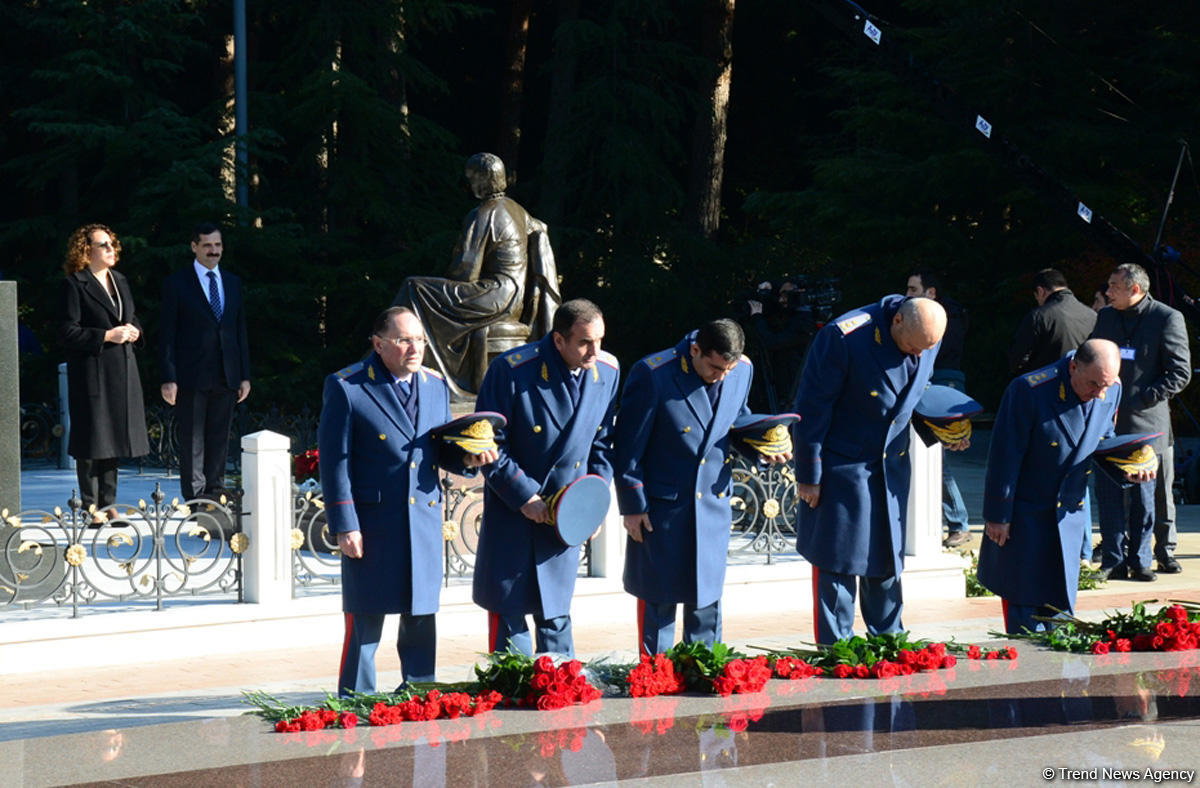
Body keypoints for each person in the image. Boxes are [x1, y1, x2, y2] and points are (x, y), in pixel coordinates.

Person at [319, 307, 497, 694]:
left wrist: (466, 460)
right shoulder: (348, 386)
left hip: (423, 520)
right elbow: (335, 462)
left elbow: (439, 449)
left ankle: (419, 695)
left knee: (420, 615)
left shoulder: (434, 385)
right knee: (366, 619)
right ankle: (355, 700)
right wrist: (345, 524)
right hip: (374, 523)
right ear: (378, 344)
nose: (414, 348)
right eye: (403, 340)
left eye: (419, 340)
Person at [616, 319, 779, 658]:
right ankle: (655, 677)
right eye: (714, 367)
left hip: (712, 505)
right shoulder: (654, 374)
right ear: (695, 350)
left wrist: (763, 448)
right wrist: (632, 506)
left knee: (706, 600)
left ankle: (702, 672)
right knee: (658, 600)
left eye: (727, 369)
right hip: (663, 508)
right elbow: (628, 449)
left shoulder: (741, 370)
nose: (721, 376)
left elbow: (733, 423)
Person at [793, 296, 949, 645]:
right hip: (844, 464)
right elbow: (812, 408)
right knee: (837, 560)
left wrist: (945, 428)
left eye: (927, 348)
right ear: (897, 322)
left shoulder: (926, 335)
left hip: (890, 466)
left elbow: (914, 394)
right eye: (913, 346)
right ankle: (837, 649)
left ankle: (889, 641)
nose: (919, 354)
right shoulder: (845, 337)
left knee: (887, 555)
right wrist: (809, 474)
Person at [472, 299, 620, 656]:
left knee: (556, 615)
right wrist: (525, 496)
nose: (594, 351)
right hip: (515, 511)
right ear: (558, 340)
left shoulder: (606, 371)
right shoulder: (512, 370)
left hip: (564, 516)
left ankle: (561, 685)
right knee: (510, 619)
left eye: (599, 340)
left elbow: (602, 444)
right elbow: (488, 443)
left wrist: (591, 503)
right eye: (584, 342)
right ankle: (514, 688)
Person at [977, 340, 1146, 632]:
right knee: (1026, 612)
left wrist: (1130, 466)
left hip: (1068, 517)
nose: (1100, 393)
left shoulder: (1111, 387)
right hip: (1027, 517)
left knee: (1061, 615)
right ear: (1073, 367)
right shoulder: (1030, 390)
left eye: (1105, 385)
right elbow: (1005, 456)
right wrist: (998, 515)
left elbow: (1102, 438)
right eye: (1094, 384)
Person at [393, 153, 561, 398]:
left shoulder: (482, 213)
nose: (470, 185)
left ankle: (405, 368)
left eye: (472, 179)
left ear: (483, 179)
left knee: (414, 287)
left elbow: (466, 270)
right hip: (516, 299)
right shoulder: (518, 210)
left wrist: (446, 285)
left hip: (494, 296)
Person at [1090, 263, 1191, 576]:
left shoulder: (1166, 317)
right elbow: (1092, 355)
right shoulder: (1107, 317)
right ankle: (1114, 558)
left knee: (1153, 495)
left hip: (1148, 421)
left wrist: (1144, 397)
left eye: (1114, 286)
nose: (1108, 292)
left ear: (1135, 289)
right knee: (1110, 495)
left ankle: (1157, 554)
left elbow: (1180, 372)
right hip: (1109, 421)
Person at [57, 224, 150, 513]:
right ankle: (90, 506)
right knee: (91, 438)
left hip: (122, 371)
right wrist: (107, 335)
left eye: (112, 244)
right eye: (104, 245)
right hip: (91, 372)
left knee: (114, 438)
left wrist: (135, 331)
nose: (111, 249)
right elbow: (67, 332)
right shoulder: (74, 284)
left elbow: (131, 317)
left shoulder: (120, 280)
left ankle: (109, 504)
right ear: (86, 251)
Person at [159, 223, 251, 501]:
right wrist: (168, 377)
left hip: (227, 373)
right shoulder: (176, 283)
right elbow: (167, 334)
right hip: (191, 375)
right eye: (207, 245)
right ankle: (196, 500)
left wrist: (244, 375)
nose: (214, 251)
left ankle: (215, 493)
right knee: (193, 441)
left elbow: (239, 331)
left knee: (219, 438)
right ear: (194, 247)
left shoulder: (232, 282)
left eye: (218, 245)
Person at [904, 271, 971, 548]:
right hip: (946, 381)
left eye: (913, 289)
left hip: (942, 382)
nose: (907, 295)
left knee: (937, 459)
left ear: (930, 292)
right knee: (936, 459)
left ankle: (958, 522)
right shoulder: (953, 315)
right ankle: (956, 522)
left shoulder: (940, 318)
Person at [1008, 268, 1097, 376]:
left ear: (1040, 291)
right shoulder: (1092, 315)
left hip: (1048, 380)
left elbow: (1018, 359)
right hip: (1082, 381)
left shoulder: (1039, 316)